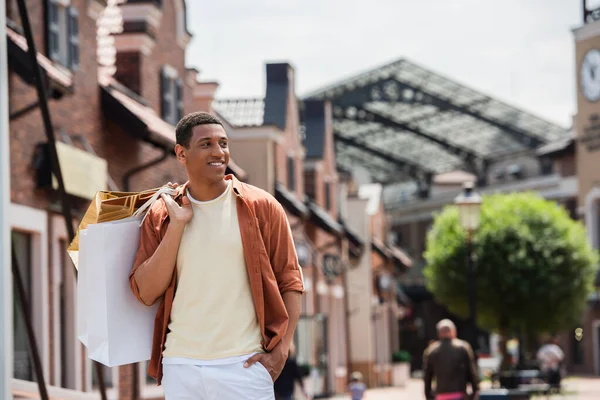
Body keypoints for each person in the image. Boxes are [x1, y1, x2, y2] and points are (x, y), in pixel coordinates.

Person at [129, 112, 305, 400]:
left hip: (244, 366)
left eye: (223, 143)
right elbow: (146, 292)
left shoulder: (262, 206)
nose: (218, 152)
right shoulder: (162, 214)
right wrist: (177, 226)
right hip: (181, 365)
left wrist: (281, 350)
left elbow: (291, 281)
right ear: (181, 153)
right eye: (206, 144)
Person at [423, 319, 479, 400]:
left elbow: (427, 376)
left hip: (440, 395)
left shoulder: (431, 350)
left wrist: (428, 396)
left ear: (439, 333)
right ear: (454, 331)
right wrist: (474, 391)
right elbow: (472, 372)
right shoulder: (463, 348)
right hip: (459, 394)